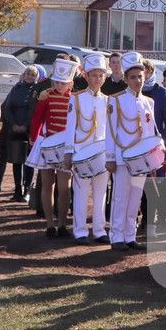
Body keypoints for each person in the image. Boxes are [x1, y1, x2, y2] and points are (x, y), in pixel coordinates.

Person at [106, 52, 157, 251]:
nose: (137, 81)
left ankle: (130, 235)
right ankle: (116, 236)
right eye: (133, 77)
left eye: (140, 77)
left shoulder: (148, 102)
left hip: (141, 159)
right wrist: (110, 157)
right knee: (120, 197)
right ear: (126, 79)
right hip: (121, 157)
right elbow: (111, 131)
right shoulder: (115, 100)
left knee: (135, 198)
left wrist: (153, 160)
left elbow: (151, 132)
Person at [26, 58, 77, 237]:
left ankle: (62, 224)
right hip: (48, 144)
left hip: (66, 148)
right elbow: (37, 119)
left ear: (70, 83)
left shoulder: (75, 99)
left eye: (63, 82)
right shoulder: (46, 96)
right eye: (56, 81)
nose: (59, 85)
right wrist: (34, 139)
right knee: (47, 185)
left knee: (64, 187)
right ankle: (49, 224)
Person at [64, 53, 111, 245]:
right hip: (81, 151)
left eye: (100, 75)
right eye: (93, 75)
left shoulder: (108, 100)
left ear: (104, 78)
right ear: (86, 76)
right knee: (81, 192)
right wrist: (69, 151)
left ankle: (99, 230)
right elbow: (70, 127)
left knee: (101, 193)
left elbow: (110, 128)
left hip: (101, 152)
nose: (97, 79)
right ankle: (80, 230)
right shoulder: (76, 99)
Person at [0, 65, 38, 202]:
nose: (30, 76)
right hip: (14, 129)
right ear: (24, 75)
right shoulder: (16, 88)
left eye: (33, 74)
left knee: (29, 161)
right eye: (28, 74)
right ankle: (18, 190)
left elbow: (35, 111)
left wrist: (25, 125)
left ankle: (27, 190)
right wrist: (14, 124)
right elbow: (8, 108)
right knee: (16, 160)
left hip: (30, 129)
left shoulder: (37, 91)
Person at [142, 59, 166, 138]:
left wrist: (163, 137)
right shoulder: (133, 91)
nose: (144, 75)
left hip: (155, 138)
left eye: (147, 72)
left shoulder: (161, 92)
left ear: (152, 73)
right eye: (142, 71)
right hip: (135, 141)